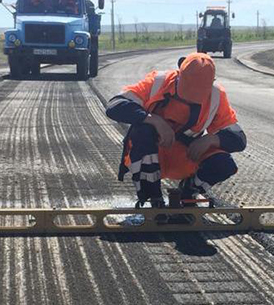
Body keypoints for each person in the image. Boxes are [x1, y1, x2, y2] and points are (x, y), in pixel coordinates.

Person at [105, 52, 246, 207]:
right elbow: (115, 106)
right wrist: (154, 120)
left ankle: (189, 192)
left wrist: (211, 139)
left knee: (224, 164)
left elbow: (239, 139)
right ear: (179, 74)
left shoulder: (216, 96)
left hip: (186, 156)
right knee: (142, 131)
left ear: (211, 83)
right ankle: (152, 197)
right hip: (152, 153)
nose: (189, 99)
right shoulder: (158, 82)